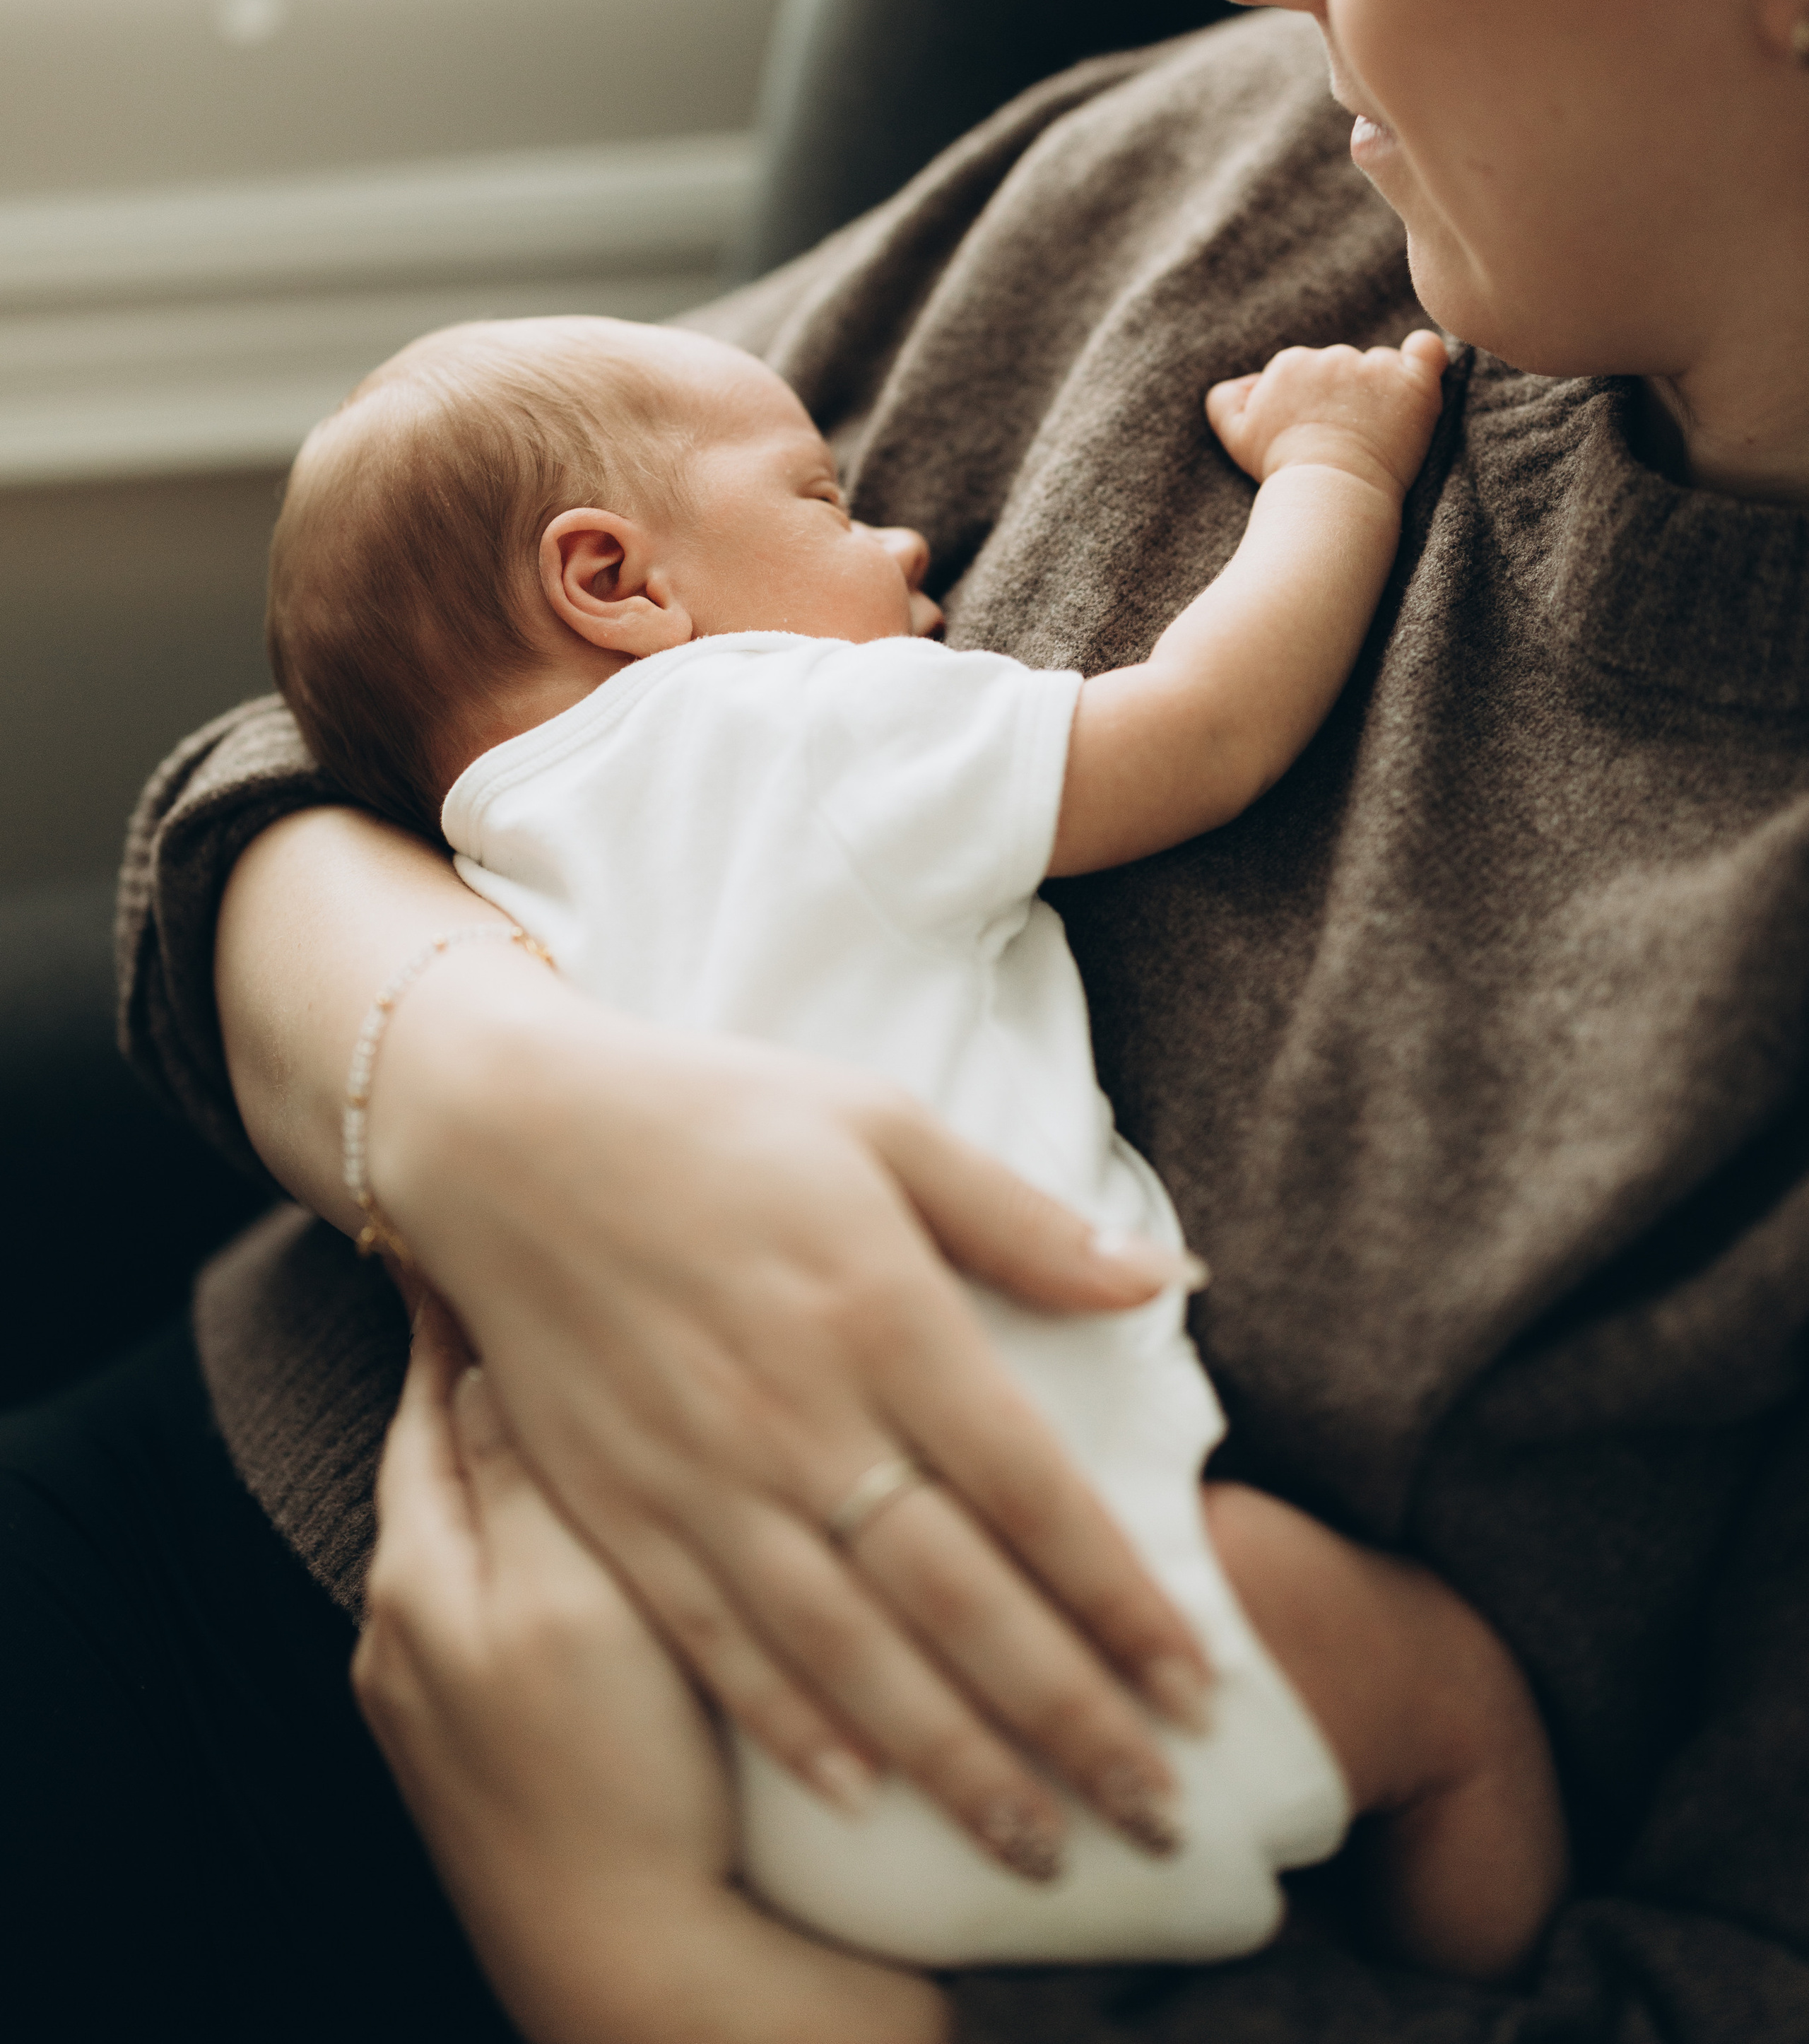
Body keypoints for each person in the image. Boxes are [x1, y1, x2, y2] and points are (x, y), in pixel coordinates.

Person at [8, 0, 1809, 2034]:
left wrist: (648, 1968)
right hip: (208, 1539)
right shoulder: (1234, 175)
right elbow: (334, 717)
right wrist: (479, 1101)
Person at [261, 302, 1563, 1975]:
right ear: (616, 582)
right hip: (1066, 1608)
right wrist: (1332, 467)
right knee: (1454, 1708)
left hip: (699, 1730)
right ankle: (1495, 1983)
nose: (900, 539)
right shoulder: (778, 726)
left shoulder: (480, 869)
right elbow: (1208, 730)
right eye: (821, 503)